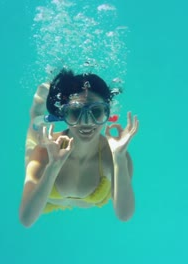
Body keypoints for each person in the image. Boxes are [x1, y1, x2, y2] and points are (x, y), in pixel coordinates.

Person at [19, 68, 139, 228]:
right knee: (36, 129)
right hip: (47, 199)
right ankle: (37, 110)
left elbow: (124, 215)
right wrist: (53, 166)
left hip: (82, 192)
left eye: (95, 112)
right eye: (75, 112)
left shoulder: (115, 156)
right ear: (64, 114)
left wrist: (119, 158)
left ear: (107, 113)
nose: (86, 122)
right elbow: (26, 220)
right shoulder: (45, 152)